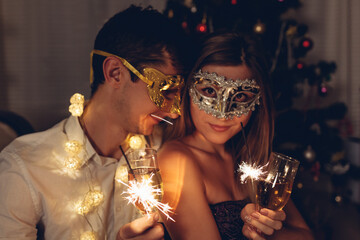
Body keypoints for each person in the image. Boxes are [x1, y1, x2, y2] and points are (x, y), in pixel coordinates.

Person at [0, 5, 192, 240]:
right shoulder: (24, 167)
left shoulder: (166, 151)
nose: (174, 112)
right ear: (115, 73)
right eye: (165, 91)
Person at [157, 32, 314, 240]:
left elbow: (305, 236)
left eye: (240, 96)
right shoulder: (176, 160)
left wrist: (265, 231)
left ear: (257, 101)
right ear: (189, 90)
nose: (222, 114)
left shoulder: (255, 158)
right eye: (210, 92)